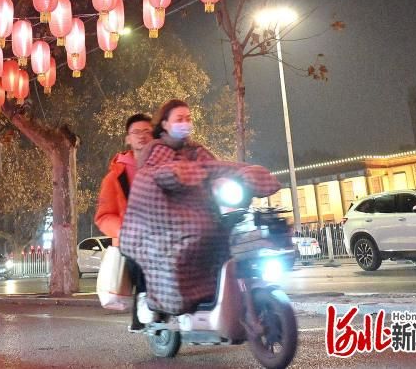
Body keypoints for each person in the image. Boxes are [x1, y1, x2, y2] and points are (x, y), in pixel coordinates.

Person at [119, 99, 281, 316]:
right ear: (165, 124)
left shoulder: (195, 150)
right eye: (179, 119)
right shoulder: (157, 150)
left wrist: (243, 173)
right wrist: (176, 174)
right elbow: (154, 173)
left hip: (204, 213)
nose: (185, 123)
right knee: (195, 238)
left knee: (238, 234)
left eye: (188, 118)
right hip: (170, 222)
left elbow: (214, 166)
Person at [94, 113, 152, 330]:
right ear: (128, 138)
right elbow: (103, 216)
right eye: (136, 132)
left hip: (164, 233)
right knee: (142, 256)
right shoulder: (114, 178)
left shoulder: (165, 167)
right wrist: (126, 229)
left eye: (147, 132)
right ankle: (144, 302)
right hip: (130, 240)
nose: (142, 137)